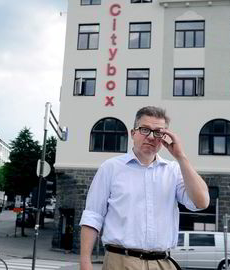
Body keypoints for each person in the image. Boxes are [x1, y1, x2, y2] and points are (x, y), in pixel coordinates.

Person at [80, 106, 210, 270]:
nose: (150, 136)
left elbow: (201, 202)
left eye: (157, 132)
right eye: (144, 129)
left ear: (164, 137)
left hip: (162, 263)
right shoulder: (110, 168)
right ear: (133, 133)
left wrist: (181, 157)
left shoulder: (174, 170)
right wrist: (85, 262)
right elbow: (93, 215)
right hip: (120, 262)